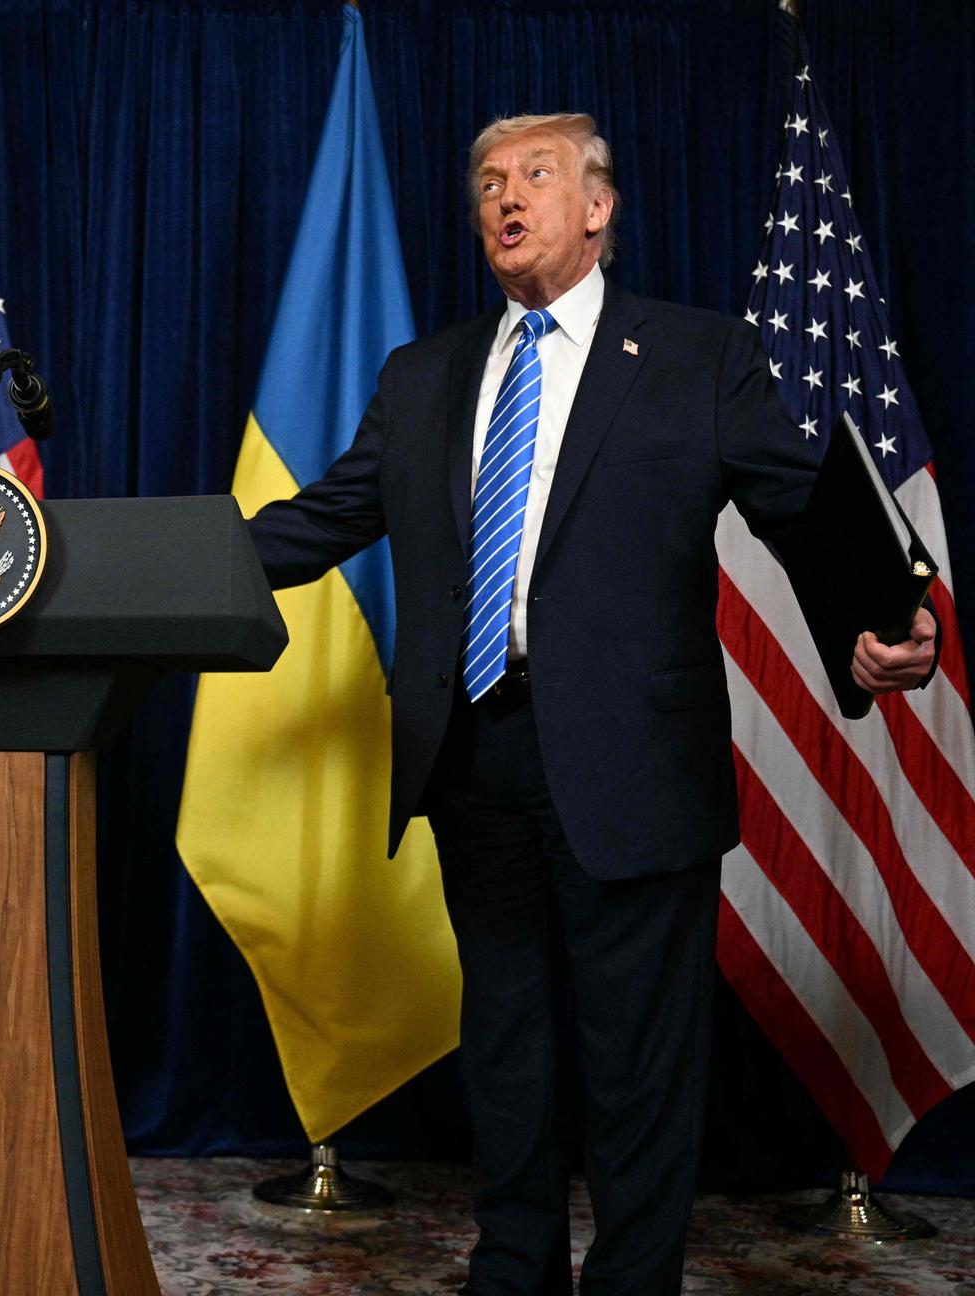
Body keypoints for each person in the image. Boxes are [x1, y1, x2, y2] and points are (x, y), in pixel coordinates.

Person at [247, 113, 937, 1296]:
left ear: (599, 206)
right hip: (473, 758)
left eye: (536, 175)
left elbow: (796, 501)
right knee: (506, 1051)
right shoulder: (423, 374)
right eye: (487, 182)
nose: (506, 197)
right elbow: (320, 520)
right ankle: (512, 1270)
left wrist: (880, 620)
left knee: (639, 1067)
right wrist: (160, 572)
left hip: (635, 766)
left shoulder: (695, 354)